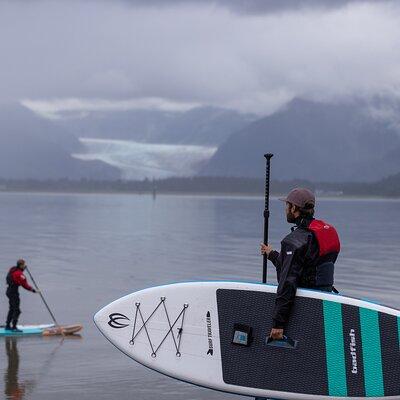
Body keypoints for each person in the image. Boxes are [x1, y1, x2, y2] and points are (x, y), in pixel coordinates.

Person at [260, 188, 340, 341]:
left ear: (294, 208)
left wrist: (278, 324)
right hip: (326, 298)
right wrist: (273, 254)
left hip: (305, 305)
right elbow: (307, 266)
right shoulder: (328, 233)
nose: (286, 209)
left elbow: (288, 283)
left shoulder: (293, 241)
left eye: (287, 205)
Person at [5, 259, 38, 332]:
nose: (25, 266)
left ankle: (7, 326)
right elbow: (24, 285)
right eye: (24, 265)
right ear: (20, 265)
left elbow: (17, 276)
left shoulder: (13, 269)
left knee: (12, 309)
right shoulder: (20, 274)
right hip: (13, 293)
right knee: (17, 310)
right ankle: (14, 328)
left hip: (9, 291)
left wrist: (22, 269)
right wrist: (33, 290)